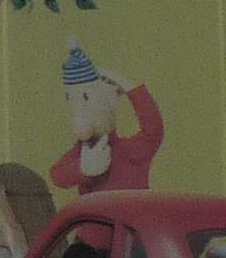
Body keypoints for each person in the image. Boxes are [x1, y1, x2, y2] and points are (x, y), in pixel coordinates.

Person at [46, 45, 164, 197]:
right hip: (96, 219)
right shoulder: (82, 153)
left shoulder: (130, 152)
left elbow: (153, 130)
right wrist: (82, 169)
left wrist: (130, 87)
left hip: (132, 218)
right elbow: (58, 176)